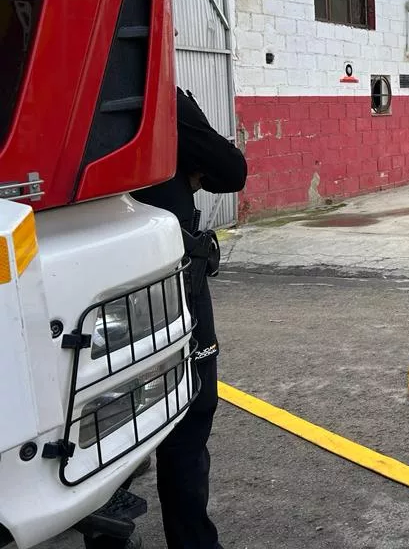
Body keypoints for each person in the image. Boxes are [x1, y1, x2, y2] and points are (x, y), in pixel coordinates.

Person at [131, 87, 247, 547]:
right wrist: (185, 170)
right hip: (168, 279)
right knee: (190, 408)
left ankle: (105, 530)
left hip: (85, 287)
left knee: (104, 412)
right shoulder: (157, 92)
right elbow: (231, 169)